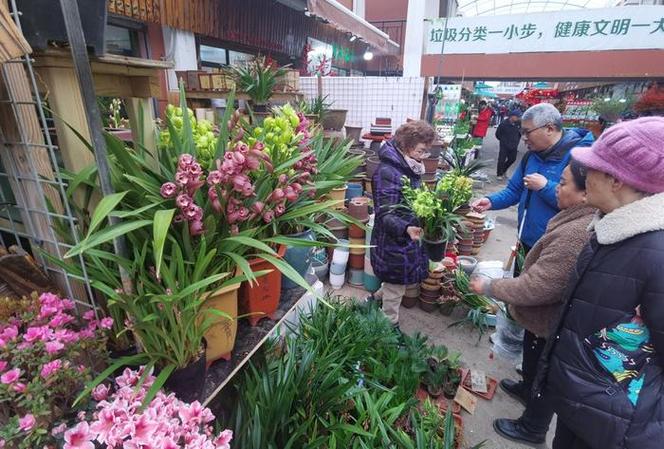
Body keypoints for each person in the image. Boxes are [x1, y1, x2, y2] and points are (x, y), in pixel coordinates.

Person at [533, 116, 664, 449]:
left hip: (616, 426)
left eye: (592, 166)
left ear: (616, 180)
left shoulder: (654, 252)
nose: (584, 174)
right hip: (584, 406)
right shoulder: (608, 231)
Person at [470, 161, 596, 445]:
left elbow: (538, 286)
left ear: (585, 194)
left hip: (551, 319)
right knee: (533, 355)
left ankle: (533, 427)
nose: (556, 190)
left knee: (544, 369)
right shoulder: (575, 216)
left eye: (562, 184)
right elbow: (514, 190)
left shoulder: (577, 233)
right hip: (541, 319)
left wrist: (490, 286)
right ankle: (527, 388)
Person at [472, 103, 590, 256]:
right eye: (522, 132)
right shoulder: (531, 156)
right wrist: (491, 201)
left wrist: (545, 186)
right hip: (525, 239)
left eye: (527, 132)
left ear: (549, 128)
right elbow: (514, 190)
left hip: (557, 248)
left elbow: (583, 206)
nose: (524, 138)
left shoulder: (581, 159)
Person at [369, 120, 433, 328]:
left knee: (395, 282)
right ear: (406, 146)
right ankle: (389, 327)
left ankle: (373, 301)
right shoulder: (388, 172)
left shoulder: (408, 167)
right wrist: (406, 228)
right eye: (421, 150)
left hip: (405, 238)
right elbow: (384, 213)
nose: (424, 156)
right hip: (393, 240)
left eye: (426, 151)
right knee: (396, 287)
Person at [495, 109, 522, 179]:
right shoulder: (504, 124)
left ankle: (503, 170)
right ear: (512, 116)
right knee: (501, 159)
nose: (519, 118)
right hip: (504, 145)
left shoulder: (518, 124)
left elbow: (520, 133)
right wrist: (503, 140)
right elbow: (497, 134)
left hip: (514, 145)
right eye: (517, 116)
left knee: (512, 159)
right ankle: (499, 174)